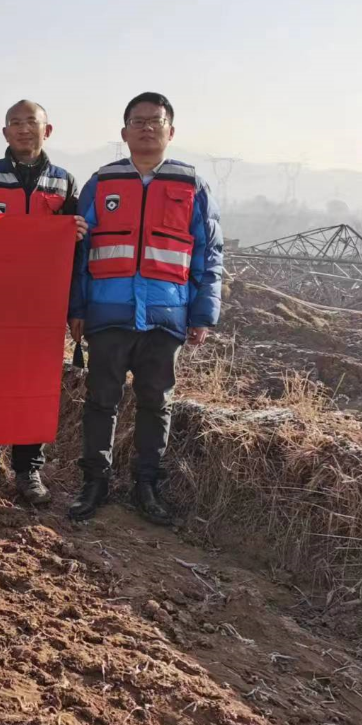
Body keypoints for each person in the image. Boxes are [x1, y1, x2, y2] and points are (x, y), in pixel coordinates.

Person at [67, 92, 223, 525]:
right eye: (138, 122)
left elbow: (209, 253)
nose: (147, 128)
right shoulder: (102, 182)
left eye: (156, 121)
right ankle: (94, 482)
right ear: (124, 133)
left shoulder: (191, 186)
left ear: (171, 131)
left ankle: (147, 485)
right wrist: (77, 308)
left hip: (165, 316)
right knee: (101, 400)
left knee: (156, 402)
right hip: (108, 313)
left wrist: (202, 314)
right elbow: (78, 252)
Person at [0, 100, 86, 504]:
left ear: (48, 130)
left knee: (34, 387)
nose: (24, 129)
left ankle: (28, 469)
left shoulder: (64, 183)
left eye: (32, 122)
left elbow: (76, 253)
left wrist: (75, 305)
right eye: (15, 122)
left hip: (41, 308)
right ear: (5, 132)